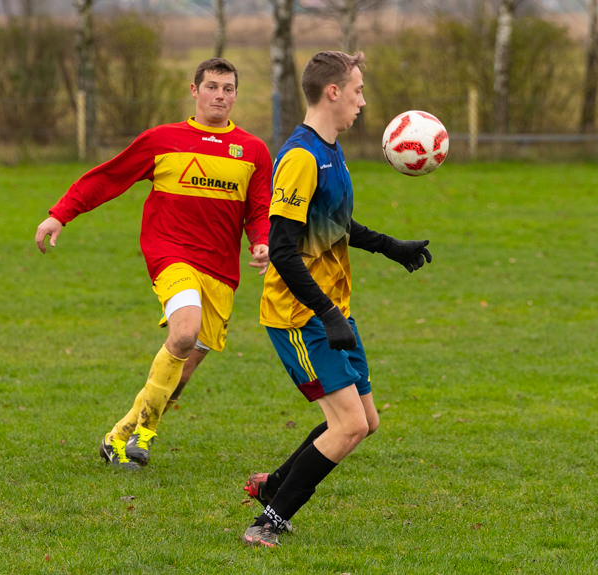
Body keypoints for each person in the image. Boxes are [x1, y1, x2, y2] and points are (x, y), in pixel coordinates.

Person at [34, 58, 273, 469]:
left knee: (180, 373)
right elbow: (110, 177)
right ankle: (145, 434)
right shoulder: (163, 139)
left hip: (221, 270)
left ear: (236, 94)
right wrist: (61, 213)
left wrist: (262, 242)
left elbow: (259, 208)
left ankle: (121, 434)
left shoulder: (253, 150)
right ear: (194, 90)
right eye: (212, 87)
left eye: (228, 88)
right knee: (183, 334)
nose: (220, 95)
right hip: (171, 254)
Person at [239, 50, 433, 548]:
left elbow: (336, 225)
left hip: (329, 310)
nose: (362, 102)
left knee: (365, 422)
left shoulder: (330, 150)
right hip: (299, 315)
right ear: (333, 92)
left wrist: (393, 248)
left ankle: (273, 486)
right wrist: (326, 312)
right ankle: (269, 521)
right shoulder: (301, 158)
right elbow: (282, 249)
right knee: (346, 426)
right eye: (357, 90)